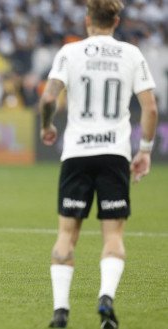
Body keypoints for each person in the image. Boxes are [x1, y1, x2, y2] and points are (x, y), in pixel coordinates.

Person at [39, 1, 158, 328]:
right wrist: (144, 151)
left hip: (77, 153)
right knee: (113, 236)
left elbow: (48, 98)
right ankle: (106, 298)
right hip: (114, 154)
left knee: (66, 234)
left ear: (87, 19)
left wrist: (47, 126)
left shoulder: (69, 52)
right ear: (116, 20)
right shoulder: (132, 54)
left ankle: (60, 311)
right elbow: (149, 108)